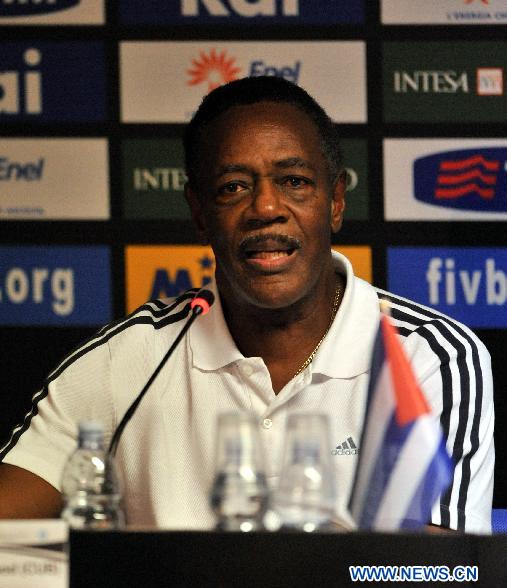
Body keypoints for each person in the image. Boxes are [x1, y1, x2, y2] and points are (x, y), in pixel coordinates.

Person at [0, 77, 494, 533]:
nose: (264, 208)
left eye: (294, 180)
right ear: (199, 213)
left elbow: (437, 572)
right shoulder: (124, 361)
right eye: (233, 187)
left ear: (337, 200)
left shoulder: (429, 357)